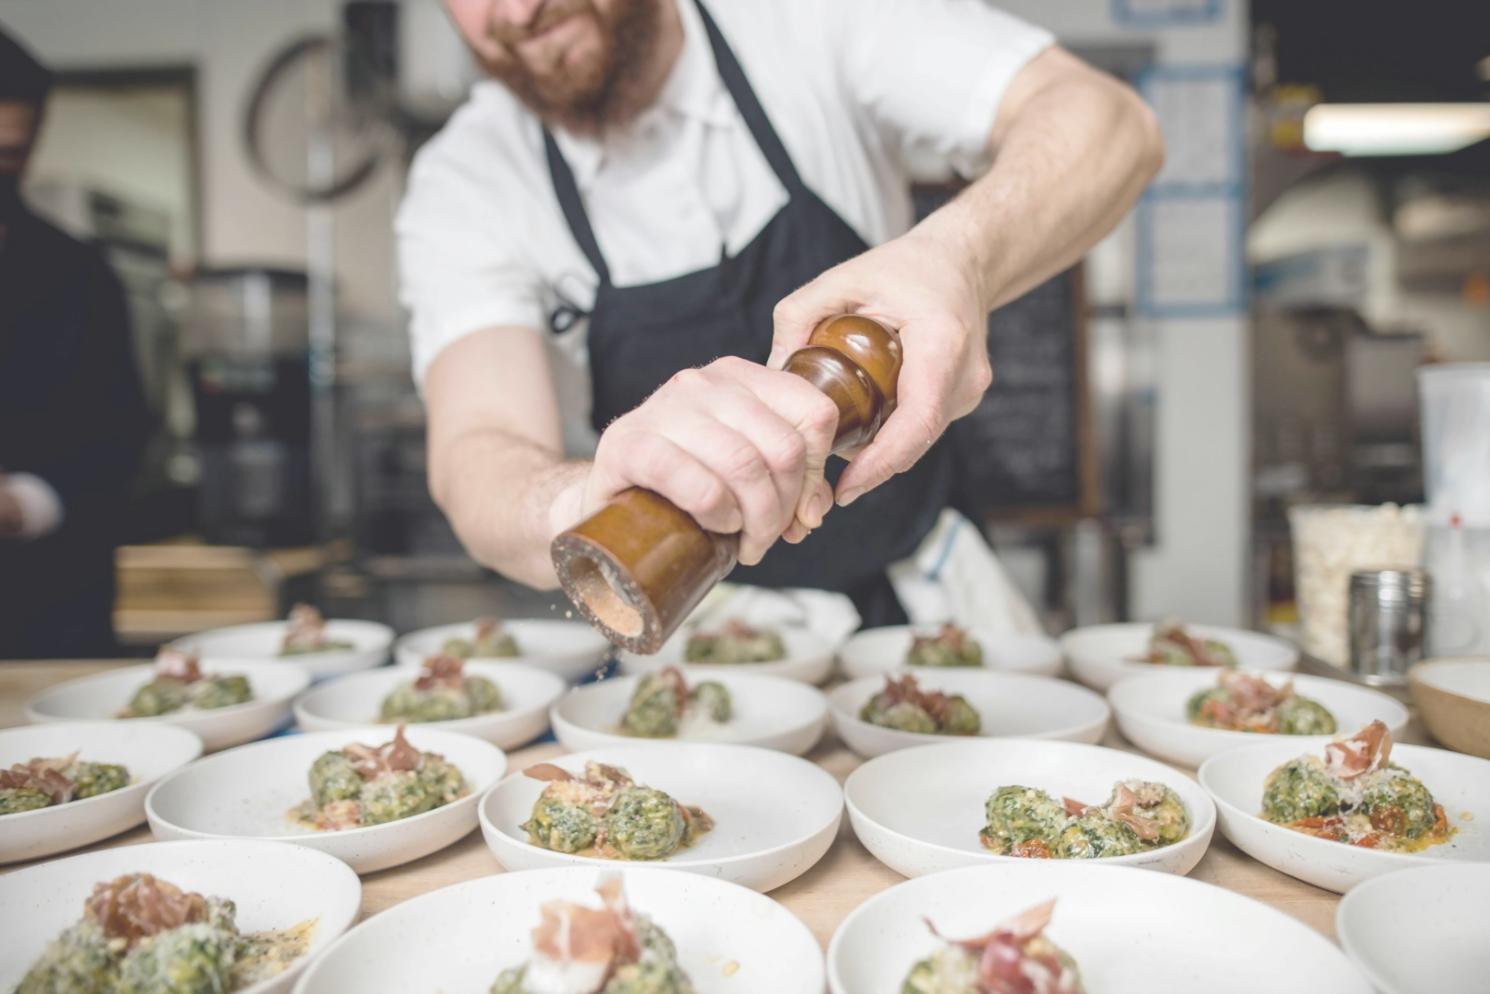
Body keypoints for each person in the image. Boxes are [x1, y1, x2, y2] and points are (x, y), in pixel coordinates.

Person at [398, 0, 1162, 628]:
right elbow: (478, 451)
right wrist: (580, 498)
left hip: (922, 599)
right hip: (697, 635)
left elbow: (1112, 122)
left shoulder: (805, 19)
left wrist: (958, 255)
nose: (519, 10)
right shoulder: (468, 178)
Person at [0, 28, 150, 658]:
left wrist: (20, 504)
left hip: (48, 618)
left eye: (10, 153)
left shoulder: (77, 275)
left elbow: (120, 435)